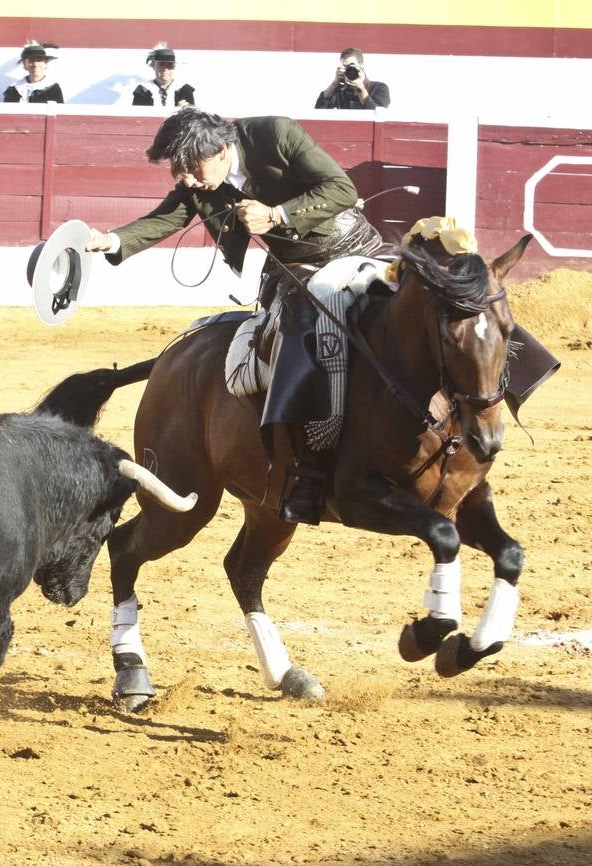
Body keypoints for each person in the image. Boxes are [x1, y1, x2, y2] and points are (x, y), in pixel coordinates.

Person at [84, 108, 385, 525]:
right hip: (295, 271)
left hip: (354, 248)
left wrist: (279, 215)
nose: (185, 178)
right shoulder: (199, 178)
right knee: (295, 345)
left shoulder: (276, 133)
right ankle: (307, 469)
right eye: (177, 169)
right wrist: (109, 240)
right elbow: (167, 217)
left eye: (191, 167)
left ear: (224, 149)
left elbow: (342, 189)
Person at [314, 48, 390, 110]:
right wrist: (334, 84)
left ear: (361, 66)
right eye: (345, 67)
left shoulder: (379, 88)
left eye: (352, 66)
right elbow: (319, 110)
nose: (349, 70)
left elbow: (378, 113)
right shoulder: (341, 91)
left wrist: (360, 89)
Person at [132, 43, 194, 108]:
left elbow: (192, 116)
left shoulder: (185, 89)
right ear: (153, 66)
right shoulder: (143, 90)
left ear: (174, 67)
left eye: (169, 65)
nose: (165, 69)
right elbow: (139, 115)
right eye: (161, 65)